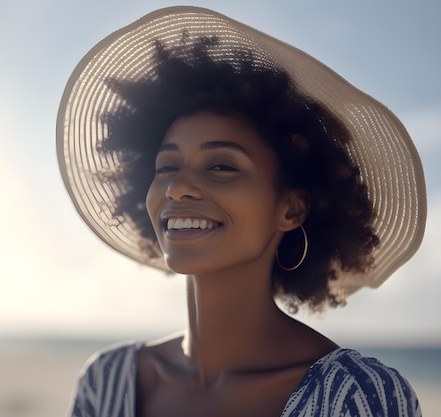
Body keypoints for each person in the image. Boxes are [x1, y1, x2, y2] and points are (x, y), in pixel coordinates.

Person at [56, 6, 427, 417]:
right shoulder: (106, 381)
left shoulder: (354, 398)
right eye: (166, 167)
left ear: (291, 208)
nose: (177, 186)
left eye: (221, 166)